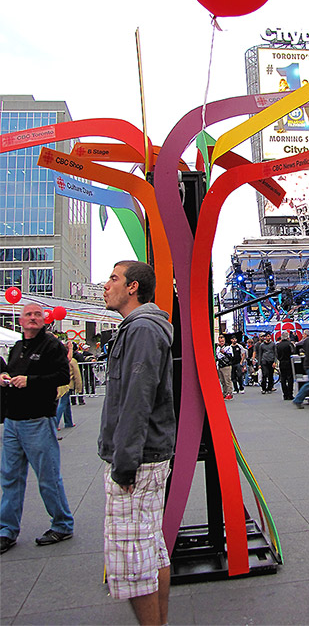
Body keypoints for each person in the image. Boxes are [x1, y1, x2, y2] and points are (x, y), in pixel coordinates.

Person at [99, 261, 176, 625]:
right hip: (146, 454)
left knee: (134, 562)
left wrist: (124, 461)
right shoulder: (141, 327)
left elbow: (137, 397)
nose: (106, 284)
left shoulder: (142, 328)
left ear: (133, 287)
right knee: (150, 549)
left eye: (114, 278)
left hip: (139, 458)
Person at [0, 303, 74, 554]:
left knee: (48, 477)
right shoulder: (18, 347)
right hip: (12, 421)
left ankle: (62, 524)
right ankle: (6, 530)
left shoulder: (52, 345)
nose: (33, 318)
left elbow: (64, 377)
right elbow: (14, 372)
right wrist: (6, 378)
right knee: (10, 477)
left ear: (44, 320)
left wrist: (30, 381)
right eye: (28, 314)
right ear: (20, 320)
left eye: (37, 315)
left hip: (37, 420)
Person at [56, 341, 77, 431]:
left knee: (66, 402)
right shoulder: (59, 356)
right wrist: (71, 348)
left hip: (61, 382)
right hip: (62, 382)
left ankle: (69, 421)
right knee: (63, 402)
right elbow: (68, 358)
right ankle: (55, 423)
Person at [276, 331, 295, 400]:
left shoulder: (278, 345)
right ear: (288, 337)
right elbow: (293, 352)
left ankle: (285, 394)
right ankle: (290, 394)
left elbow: (277, 355)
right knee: (290, 378)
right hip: (289, 362)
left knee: (283, 378)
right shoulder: (290, 344)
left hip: (281, 362)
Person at [215, 334, 234, 400]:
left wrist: (224, 353)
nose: (221, 340)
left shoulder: (228, 347)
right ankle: (225, 392)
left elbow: (231, 357)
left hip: (226, 365)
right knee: (222, 381)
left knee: (227, 380)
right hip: (220, 365)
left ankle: (229, 393)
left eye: (222, 338)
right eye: (220, 338)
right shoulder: (218, 347)